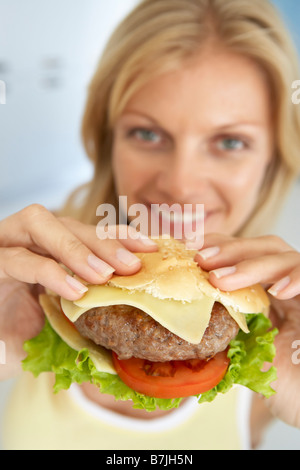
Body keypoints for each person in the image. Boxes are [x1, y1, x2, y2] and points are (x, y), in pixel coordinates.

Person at [1, 0, 300, 450]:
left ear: (274, 159)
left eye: (230, 141)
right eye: (148, 134)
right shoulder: (23, 280)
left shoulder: (275, 350)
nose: (180, 185)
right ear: (106, 140)